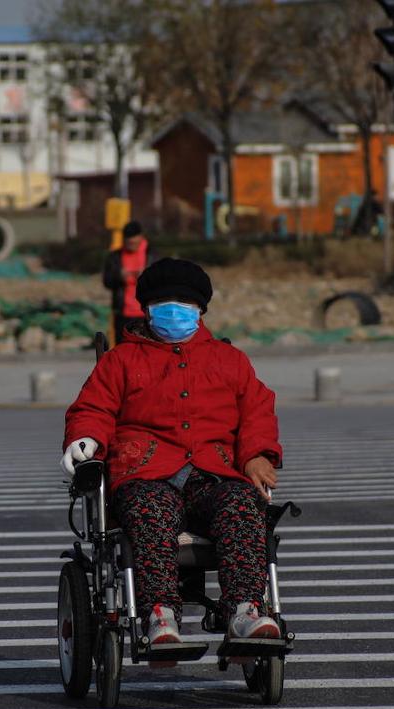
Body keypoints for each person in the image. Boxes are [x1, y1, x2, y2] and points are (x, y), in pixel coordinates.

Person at [62, 258, 283, 661]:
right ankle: (160, 615)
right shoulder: (120, 362)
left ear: (200, 310)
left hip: (212, 471)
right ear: (146, 309)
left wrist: (255, 455)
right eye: (165, 302)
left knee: (240, 504)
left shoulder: (229, 361)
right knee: (149, 510)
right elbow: (92, 408)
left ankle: (246, 610)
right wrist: (86, 440)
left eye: (184, 302)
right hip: (146, 471)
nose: (175, 310)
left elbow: (257, 411)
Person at [101, 221, 159, 345]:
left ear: (141, 238)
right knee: (123, 350)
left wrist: (146, 276)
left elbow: (162, 280)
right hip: (123, 314)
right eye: (128, 243)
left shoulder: (152, 255)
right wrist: (119, 276)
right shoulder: (115, 257)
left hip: (147, 314)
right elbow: (107, 281)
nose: (131, 245)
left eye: (134, 242)